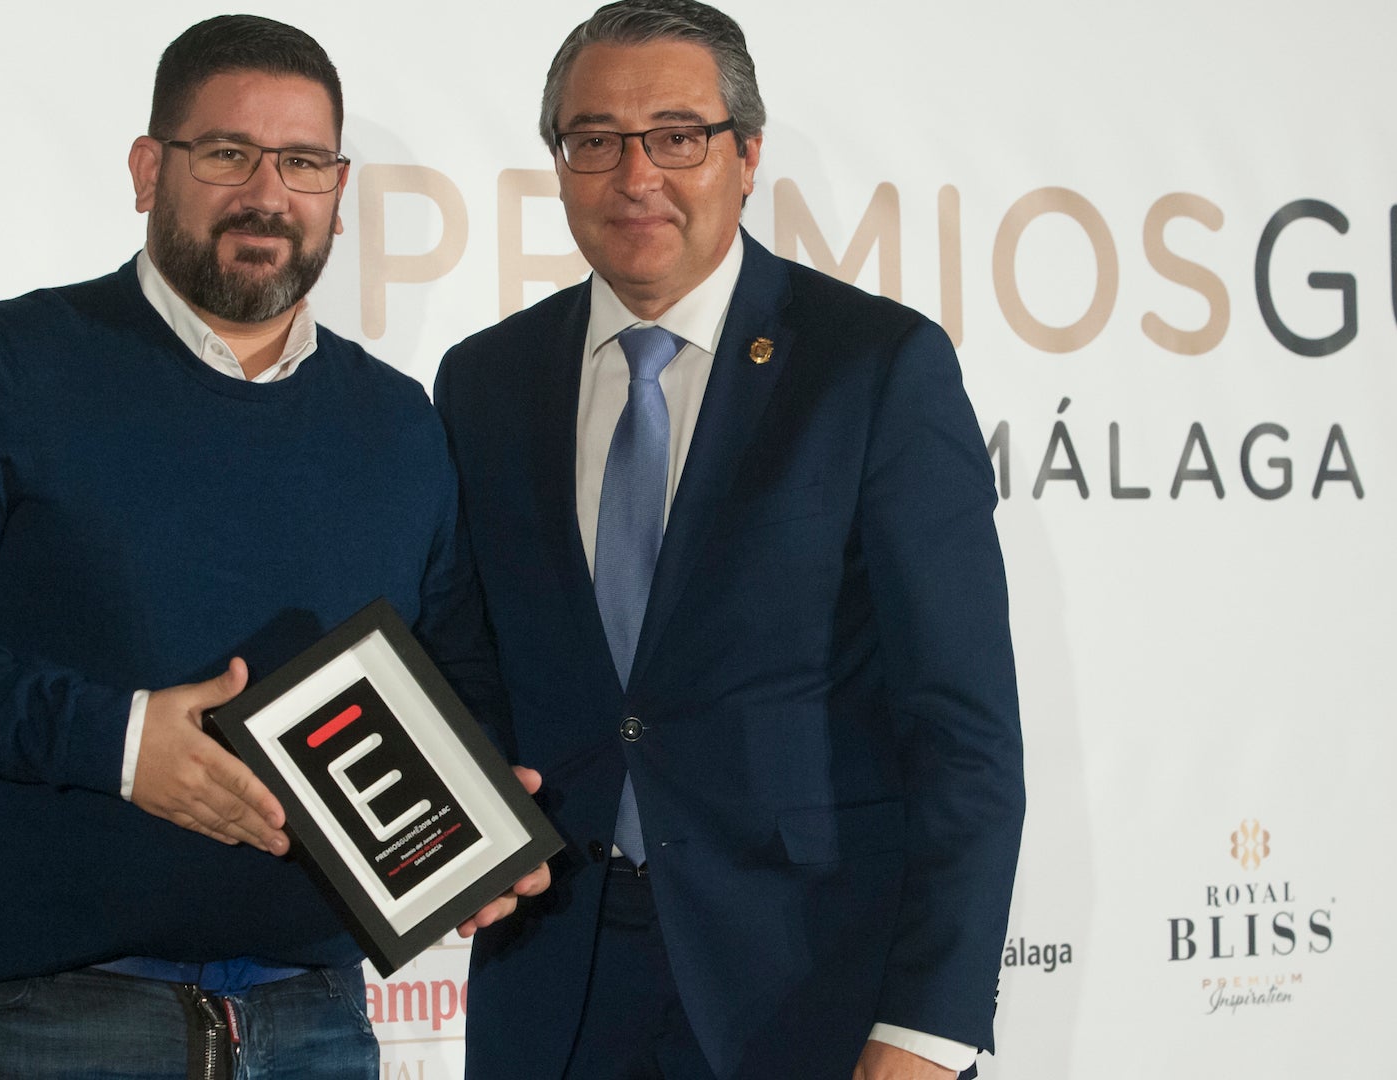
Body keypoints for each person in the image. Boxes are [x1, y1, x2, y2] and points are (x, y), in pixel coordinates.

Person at [0, 16, 540, 1078]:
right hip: (38, 1023)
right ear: (150, 169)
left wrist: (481, 824)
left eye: (302, 162)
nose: (267, 194)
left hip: (317, 1024)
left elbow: (459, 673)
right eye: (227, 153)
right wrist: (120, 742)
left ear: (339, 187)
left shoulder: (397, 423)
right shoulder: (0, 371)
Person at [433, 2, 1024, 1078]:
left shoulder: (872, 368)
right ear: (558, 165)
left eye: (677, 135)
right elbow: (475, 664)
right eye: (594, 139)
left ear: (746, 156)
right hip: (550, 990)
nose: (635, 174)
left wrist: (929, 1029)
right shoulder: (484, 381)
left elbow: (964, 734)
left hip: (807, 988)